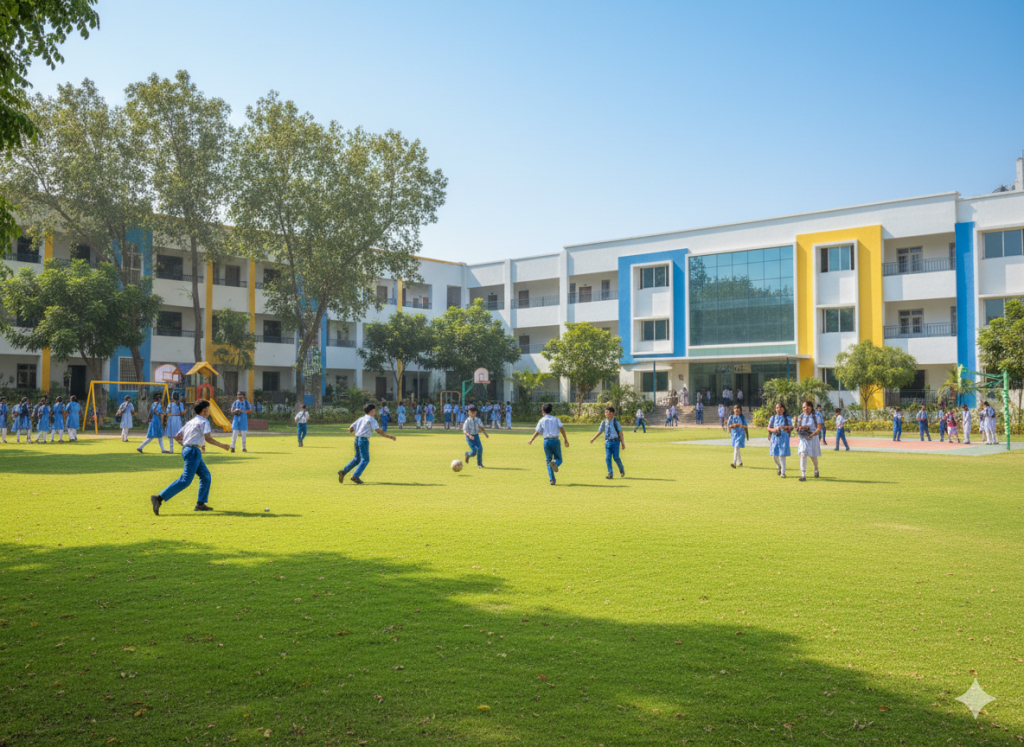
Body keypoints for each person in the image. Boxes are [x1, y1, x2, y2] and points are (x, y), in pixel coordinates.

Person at [149, 400, 230, 515]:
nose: (209, 410)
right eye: (208, 408)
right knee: (185, 480)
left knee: (205, 476)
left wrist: (188, 445)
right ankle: (159, 498)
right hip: (193, 452)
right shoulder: (204, 421)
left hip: (189, 450)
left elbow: (177, 437)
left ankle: (200, 504)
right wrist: (223, 446)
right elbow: (208, 438)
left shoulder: (190, 422)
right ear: (204, 409)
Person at [339, 402, 396, 485]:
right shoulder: (371, 419)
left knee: (357, 459)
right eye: (374, 410)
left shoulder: (360, 419)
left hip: (357, 439)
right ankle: (355, 476)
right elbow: (378, 431)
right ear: (372, 411)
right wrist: (389, 436)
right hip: (364, 440)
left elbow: (350, 429)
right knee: (365, 459)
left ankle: (343, 471)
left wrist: (358, 433)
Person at [528, 402, 569, 485]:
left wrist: (531, 439)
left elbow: (537, 431)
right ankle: (555, 463)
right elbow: (562, 429)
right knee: (559, 458)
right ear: (551, 410)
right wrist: (565, 440)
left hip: (546, 441)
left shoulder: (542, 420)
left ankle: (552, 479)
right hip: (555, 440)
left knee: (548, 461)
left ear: (543, 411)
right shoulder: (556, 419)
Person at [590, 406, 626, 479]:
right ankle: (610, 473)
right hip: (607, 441)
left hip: (615, 441)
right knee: (608, 458)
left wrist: (622, 443)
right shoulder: (603, 422)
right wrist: (593, 438)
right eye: (606, 412)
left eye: (609, 413)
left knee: (616, 457)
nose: (607, 414)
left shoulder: (616, 422)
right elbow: (600, 431)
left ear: (613, 414)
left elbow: (620, 433)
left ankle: (621, 470)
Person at [795, 400, 821, 481]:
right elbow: (798, 427)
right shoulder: (801, 417)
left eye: (807, 406)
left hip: (813, 438)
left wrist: (811, 435)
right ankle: (803, 475)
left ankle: (816, 469)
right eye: (803, 407)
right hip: (803, 439)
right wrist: (800, 430)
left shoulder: (816, 415)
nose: (805, 408)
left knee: (813, 456)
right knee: (803, 454)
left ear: (811, 407)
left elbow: (819, 428)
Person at [767, 403, 792, 476]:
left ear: (784, 409)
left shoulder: (787, 418)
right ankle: (778, 466)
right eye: (777, 408)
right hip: (775, 438)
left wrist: (782, 427)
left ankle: (783, 473)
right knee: (774, 455)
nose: (779, 409)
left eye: (781, 407)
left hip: (784, 438)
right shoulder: (773, 418)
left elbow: (791, 427)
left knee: (782, 455)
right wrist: (774, 430)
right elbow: (768, 428)